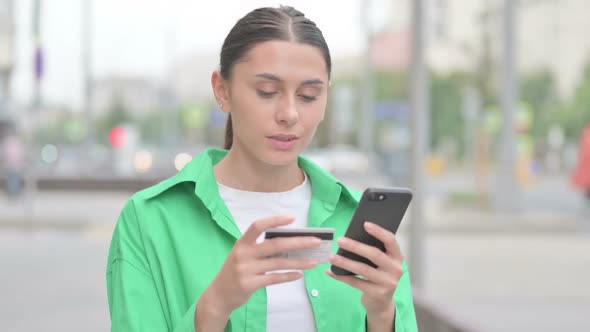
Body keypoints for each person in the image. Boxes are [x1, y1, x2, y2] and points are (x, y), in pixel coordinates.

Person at [106, 6, 418, 332]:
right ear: (222, 90)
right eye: (267, 92)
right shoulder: (151, 219)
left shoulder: (357, 220)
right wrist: (214, 305)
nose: (289, 114)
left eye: (309, 95)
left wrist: (383, 316)